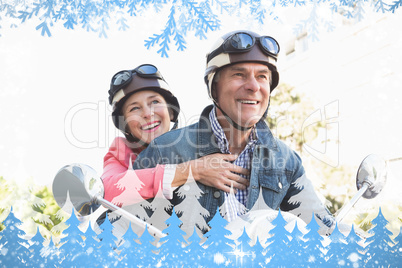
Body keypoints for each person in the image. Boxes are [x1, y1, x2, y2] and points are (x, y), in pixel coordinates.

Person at [133, 31, 335, 230]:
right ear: (214, 87)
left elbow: (324, 227)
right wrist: (187, 173)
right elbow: (115, 226)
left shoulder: (286, 161)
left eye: (262, 76)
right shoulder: (166, 150)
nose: (254, 86)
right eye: (239, 74)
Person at [102, 63, 250, 208]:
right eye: (134, 108)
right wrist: (193, 170)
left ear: (171, 112)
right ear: (125, 125)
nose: (147, 113)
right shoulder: (120, 152)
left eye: (154, 102)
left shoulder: (196, 141)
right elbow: (107, 191)